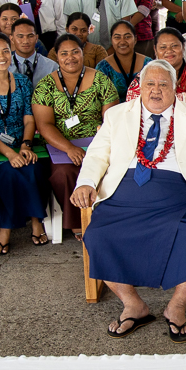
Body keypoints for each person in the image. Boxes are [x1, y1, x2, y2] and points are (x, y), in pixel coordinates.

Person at [72, 58, 186, 342]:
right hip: (124, 192)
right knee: (97, 236)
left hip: (178, 193)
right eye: (150, 84)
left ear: (175, 89)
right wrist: (85, 182)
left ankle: (176, 307)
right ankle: (134, 305)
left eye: (163, 84)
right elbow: (97, 155)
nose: (156, 90)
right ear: (140, 87)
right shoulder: (117, 115)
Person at [34, 34, 121, 242]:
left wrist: (101, 138)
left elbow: (112, 116)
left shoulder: (100, 79)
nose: (70, 57)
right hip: (61, 146)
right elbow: (44, 124)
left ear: (83, 53)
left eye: (75, 52)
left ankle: (106, 218)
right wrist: (69, 149)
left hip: (97, 144)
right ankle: (77, 222)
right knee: (64, 172)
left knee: (112, 168)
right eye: (64, 53)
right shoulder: (45, 86)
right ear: (56, 56)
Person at [0, 31, 47, 253]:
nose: (1, 56)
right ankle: (6, 226)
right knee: (8, 171)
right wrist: (10, 153)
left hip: (21, 143)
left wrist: (25, 145)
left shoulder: (23, 82)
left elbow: (29, 118)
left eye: (5, 50)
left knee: (34, 168)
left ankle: (36, 219)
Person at [126, 27, 186, 119]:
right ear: (155, 50)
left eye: (174, 46)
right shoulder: (145, 76)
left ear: (183, 47)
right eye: (163, 47)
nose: (169, 51)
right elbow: (132, 107)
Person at [96, 20, 148, 101]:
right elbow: (99, 99)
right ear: (111, 40)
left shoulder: (148, 64)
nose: (122, 41)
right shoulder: (103, 67)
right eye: (117, 37)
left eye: (127, 37)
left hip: (142, 112)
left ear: (135, 39)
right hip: (113, 112)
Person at [9, 18, 59, 87]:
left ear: (36, 38)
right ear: (12, 39)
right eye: (20, 36)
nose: (25, 41)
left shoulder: (51, 67)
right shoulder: (5, 67)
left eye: (30, 36)